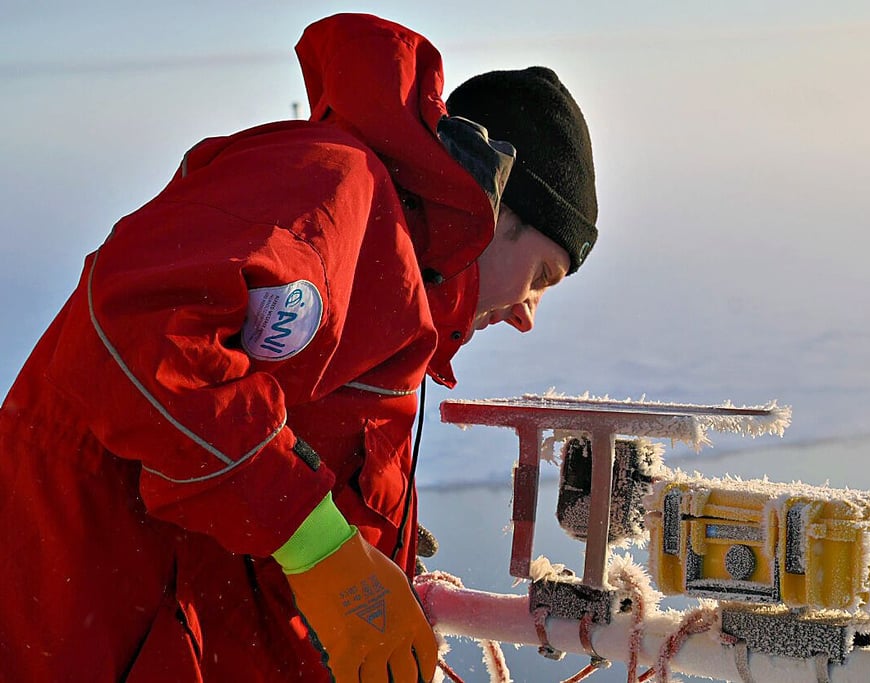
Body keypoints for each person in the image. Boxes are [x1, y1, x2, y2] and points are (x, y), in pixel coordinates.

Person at [0, 12, 598, 683]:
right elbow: (140, 332)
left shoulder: (394, 300)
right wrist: (324, 548)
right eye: (541, 278)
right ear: (498, 212)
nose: (527, 316)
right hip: (76, 624)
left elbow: (262, 472)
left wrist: (365, 547)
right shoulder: (336, 192)